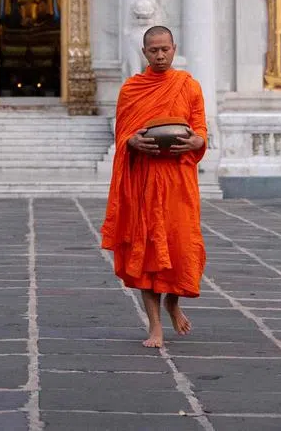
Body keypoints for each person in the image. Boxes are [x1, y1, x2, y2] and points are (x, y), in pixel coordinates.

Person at [101, 25, 207, 347]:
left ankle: (173, 304)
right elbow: (122, 135)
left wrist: (195, 142)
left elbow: (201, 130)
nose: (160, 55)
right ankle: (155, 326)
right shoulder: (132, 90)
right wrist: (131, 141)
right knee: (146, 252)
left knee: (181, 245)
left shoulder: (188, 86)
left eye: (165, 49)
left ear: (174, 49)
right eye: (153, 51)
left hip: (178, 180)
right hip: (145, 180)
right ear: (144, 53)